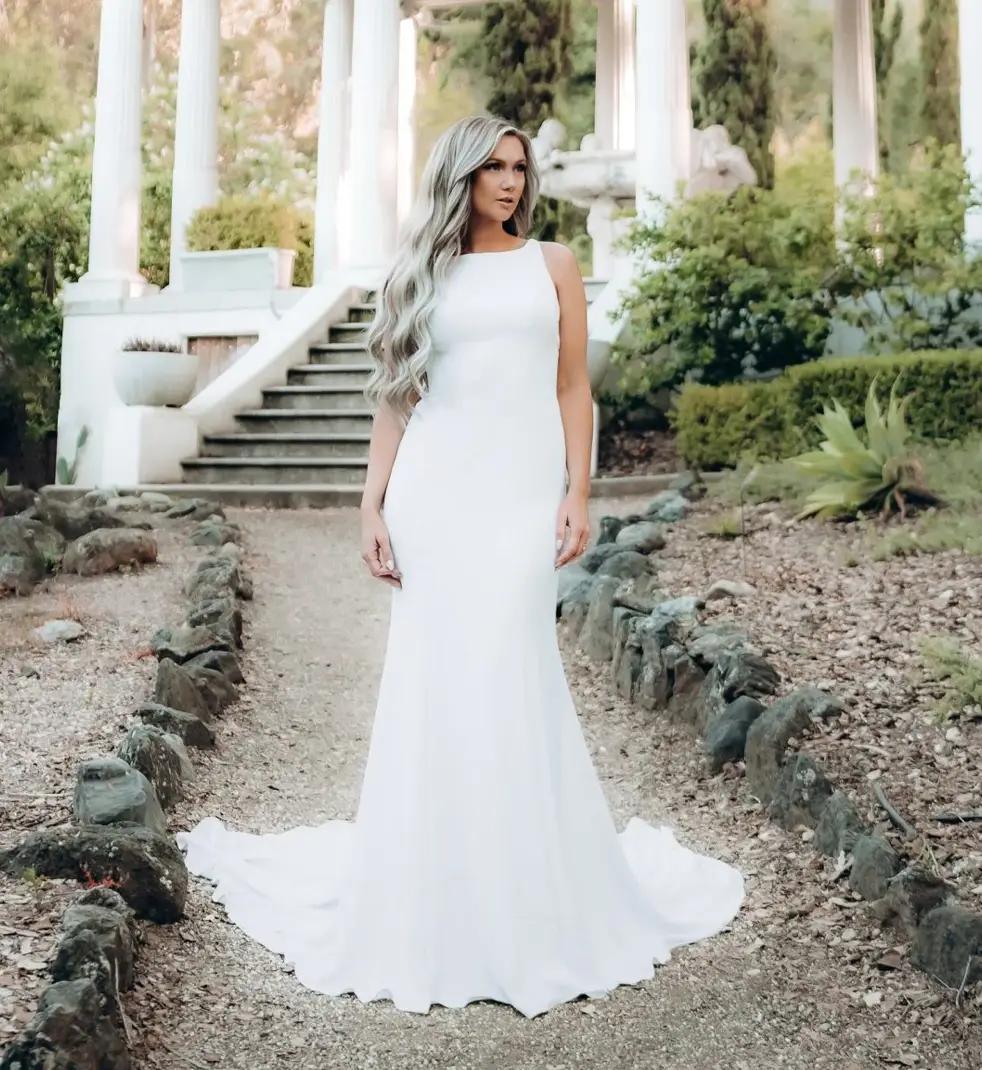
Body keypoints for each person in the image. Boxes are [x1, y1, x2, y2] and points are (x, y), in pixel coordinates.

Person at [177, 115, 745, 1019]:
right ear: (462, 177)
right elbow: (398, 401)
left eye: (520, 168)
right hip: (435, 500)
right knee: (438, 683)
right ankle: (433, 896)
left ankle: (531, 894)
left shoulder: (553, 265)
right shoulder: (421, 273)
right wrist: (370, 503)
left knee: (514, 668)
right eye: (494, 169)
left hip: (520, 500)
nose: (512, 183)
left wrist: (578, 492)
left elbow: (572, 388)